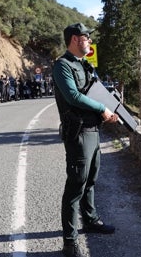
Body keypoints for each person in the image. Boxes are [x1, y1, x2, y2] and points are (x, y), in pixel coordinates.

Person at [52, 23, 119, 257]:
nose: (89, 40)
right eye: (85, 37)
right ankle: (70, 243)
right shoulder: (62, 65)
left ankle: (90, 220)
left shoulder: (85, 65)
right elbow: (72, 96)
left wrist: (111, 104)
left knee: (91, 179)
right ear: (73, 39)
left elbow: (95, 90)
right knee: (75, 186)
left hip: (93, 130)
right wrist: (102, 108)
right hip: (77, 133)